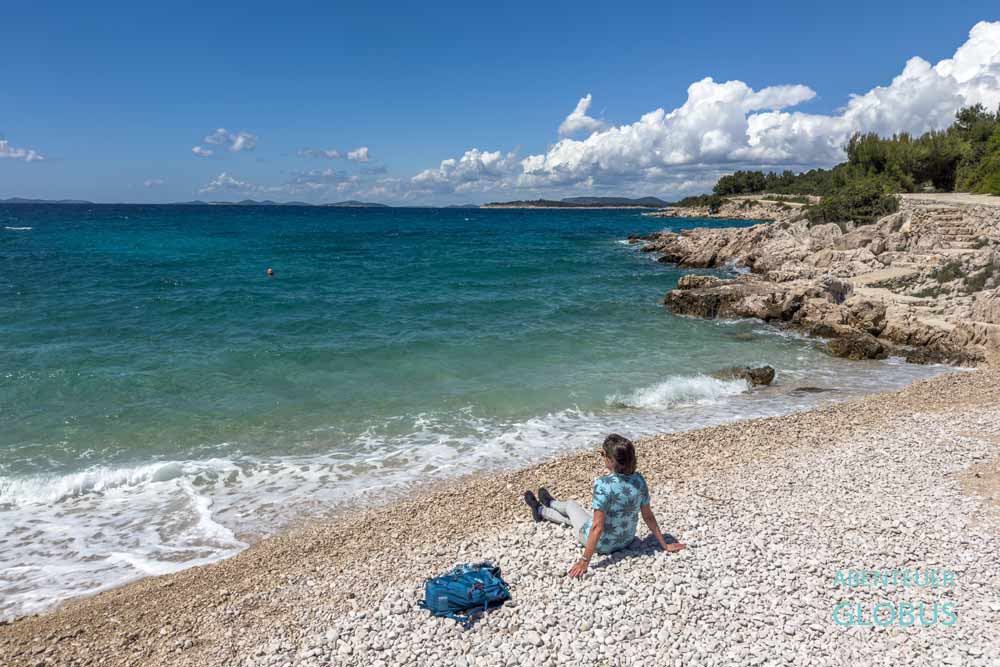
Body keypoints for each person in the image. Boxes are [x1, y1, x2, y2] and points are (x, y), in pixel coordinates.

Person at [524, 434, 685, 578]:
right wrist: (664, 544)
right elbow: (648, 516)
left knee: (571, 506)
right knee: (573, 520)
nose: (602, 457)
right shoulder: (639, 480)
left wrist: (584, 560)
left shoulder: (603, 485)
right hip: (625, 540)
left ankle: (548, 505)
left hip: (602, 544)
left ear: (612, 460)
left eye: (603, 454)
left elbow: (597, 528)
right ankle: (541, 511)